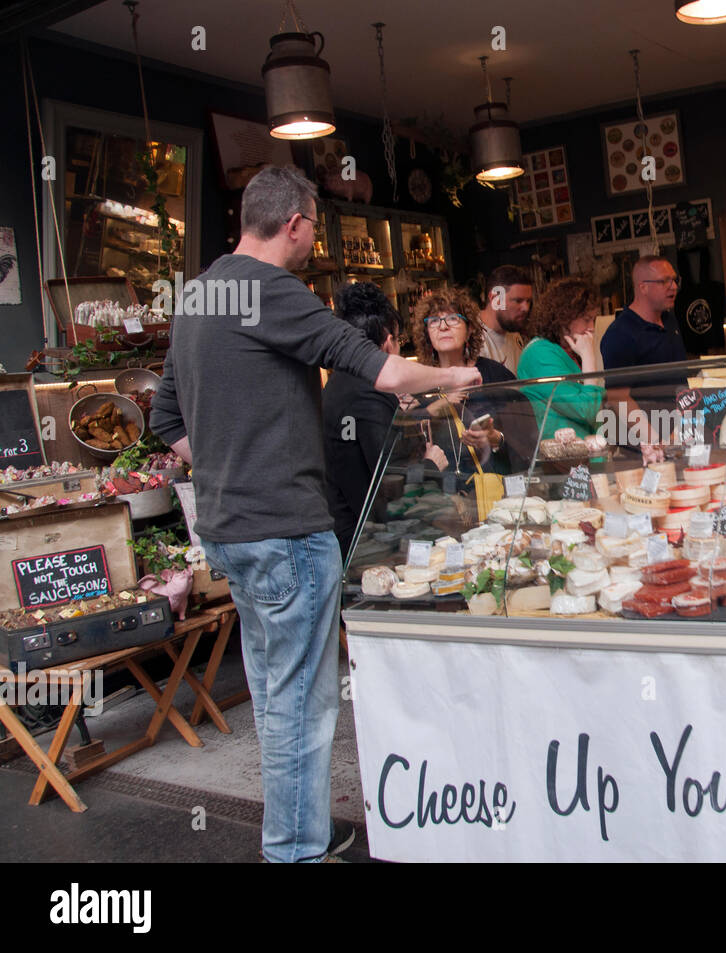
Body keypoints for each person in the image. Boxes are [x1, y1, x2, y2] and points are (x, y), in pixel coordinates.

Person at [149, 166, 480, 864]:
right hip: (287, 530)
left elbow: (166, 417)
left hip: (230, 531)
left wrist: (222, 467)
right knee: (303, 699)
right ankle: (294, 847)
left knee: (276, 693)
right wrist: (451, 375)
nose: (311, 242)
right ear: (295, 223)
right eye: (313, 229)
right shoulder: (273, 289)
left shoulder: (199, 296)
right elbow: (381, 370)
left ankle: (296, 829)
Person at [321, 282, 422, 562]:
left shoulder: (339, 385)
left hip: (347, 538)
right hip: (367, 549)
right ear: (388, 340)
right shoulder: (368, 393)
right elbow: (386, 489)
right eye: (399, 340)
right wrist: (431, 464)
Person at [411, 285, 537, 483]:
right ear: (426, 332)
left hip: (497, 493)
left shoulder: (496, 375)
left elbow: (526, 440)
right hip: (441, 498)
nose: (443, 326)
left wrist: (496, 439)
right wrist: (442, 405)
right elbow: (405, 435)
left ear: (470, 329)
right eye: (434, 321)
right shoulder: (418, 383)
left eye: (453, 318)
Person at [600, 255, 690, 445]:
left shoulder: (670, 320)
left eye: (675, 279)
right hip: (641, 447)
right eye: (665, 281)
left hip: (679, 436)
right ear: (643, 287)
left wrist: (686, 428)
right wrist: (655, 442)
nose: (674, 286)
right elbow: (618, 398)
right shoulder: (620, 334)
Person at [517, 276, 606, 440]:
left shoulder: (570, 351)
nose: (592, 328)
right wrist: (588, 357)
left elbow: (600, 407)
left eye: (593, 320)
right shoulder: (539, 354)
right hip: (561, 459)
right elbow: (587, 411)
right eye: (586, 320)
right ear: (564, 317)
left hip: (587, 454)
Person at [476, 264, 533, 373]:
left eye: (528, 301)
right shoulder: (473, 338)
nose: (526, 308)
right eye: (518, 301)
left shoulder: (513, 332)